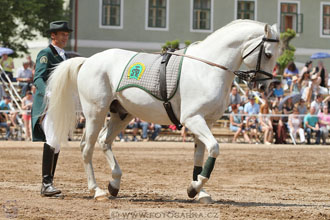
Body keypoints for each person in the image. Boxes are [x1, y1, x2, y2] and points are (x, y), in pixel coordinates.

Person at [31, 21, 72, 197]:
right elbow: (38, 78)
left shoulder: (64, 56)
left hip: (60, 103)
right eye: (62, 34)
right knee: (52, 139)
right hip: (47, 104)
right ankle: (46, 183)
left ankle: (48, 183)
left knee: (56, 144)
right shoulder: (46, 53)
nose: (65, 37)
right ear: (53, 36)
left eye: (66, 34)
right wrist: (47, 92)